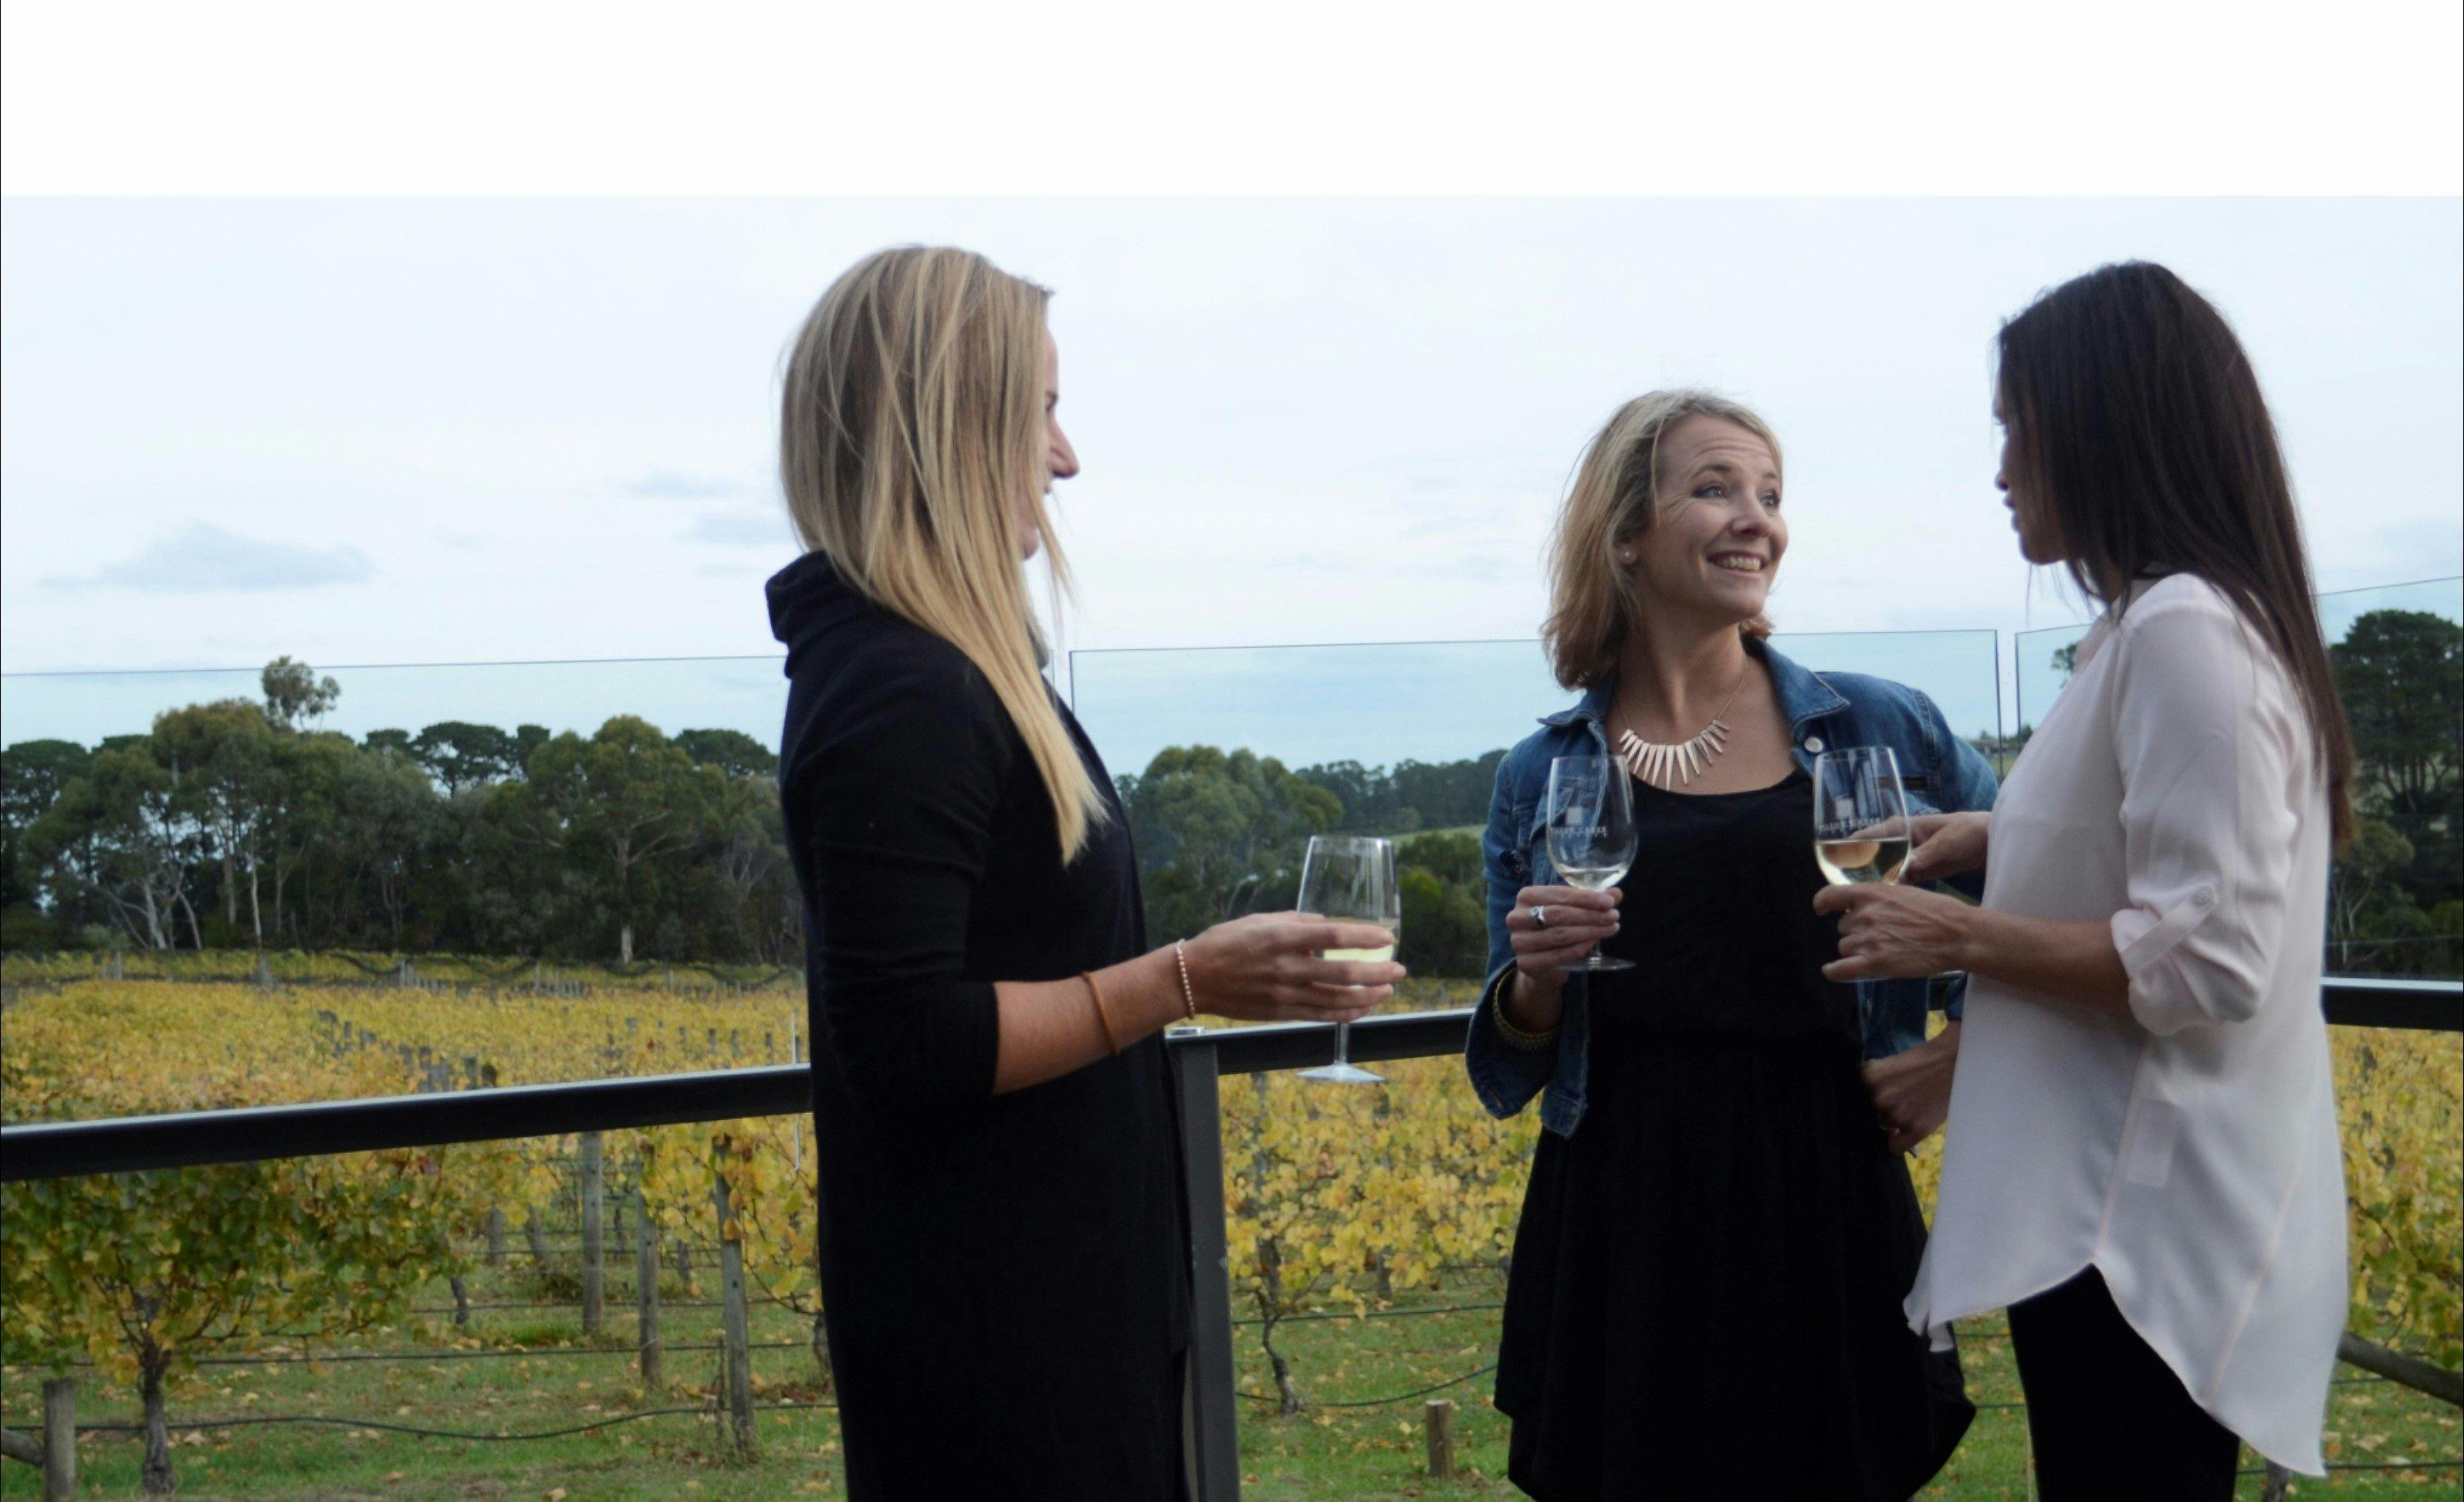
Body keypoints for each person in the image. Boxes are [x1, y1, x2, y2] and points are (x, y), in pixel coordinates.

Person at [767, 245, 1406, 1497]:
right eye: (1041, 411)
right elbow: (905, 1039)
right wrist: (1185, 978)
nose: (1065, 458)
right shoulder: (904, 688)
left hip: (1038, 1312)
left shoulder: (931, 664)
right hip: (1001, 1348)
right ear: (950, 423)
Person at [1824, 261, 2354, 1495]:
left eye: (2018, 426)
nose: (2003, 467)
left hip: (2142, 1239)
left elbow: (2208, 961)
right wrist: (1990, 834)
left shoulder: (2183, 629)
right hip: (2120, 1221)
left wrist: (1954, 937)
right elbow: (2151, 853)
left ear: (2102, 426)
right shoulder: (2149, 626)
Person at [1465, 389, 1997, 1500]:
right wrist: (1536, 982)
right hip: (1622, 1207)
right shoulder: (1540, 771)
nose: (1759, 520)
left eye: (1771, 494)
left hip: (1826, 1189)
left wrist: (1964, 1054)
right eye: (1716, 489)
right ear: (1625, 534)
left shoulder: (1880, 726)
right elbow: (1509, 1062)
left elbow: (2049, 888)